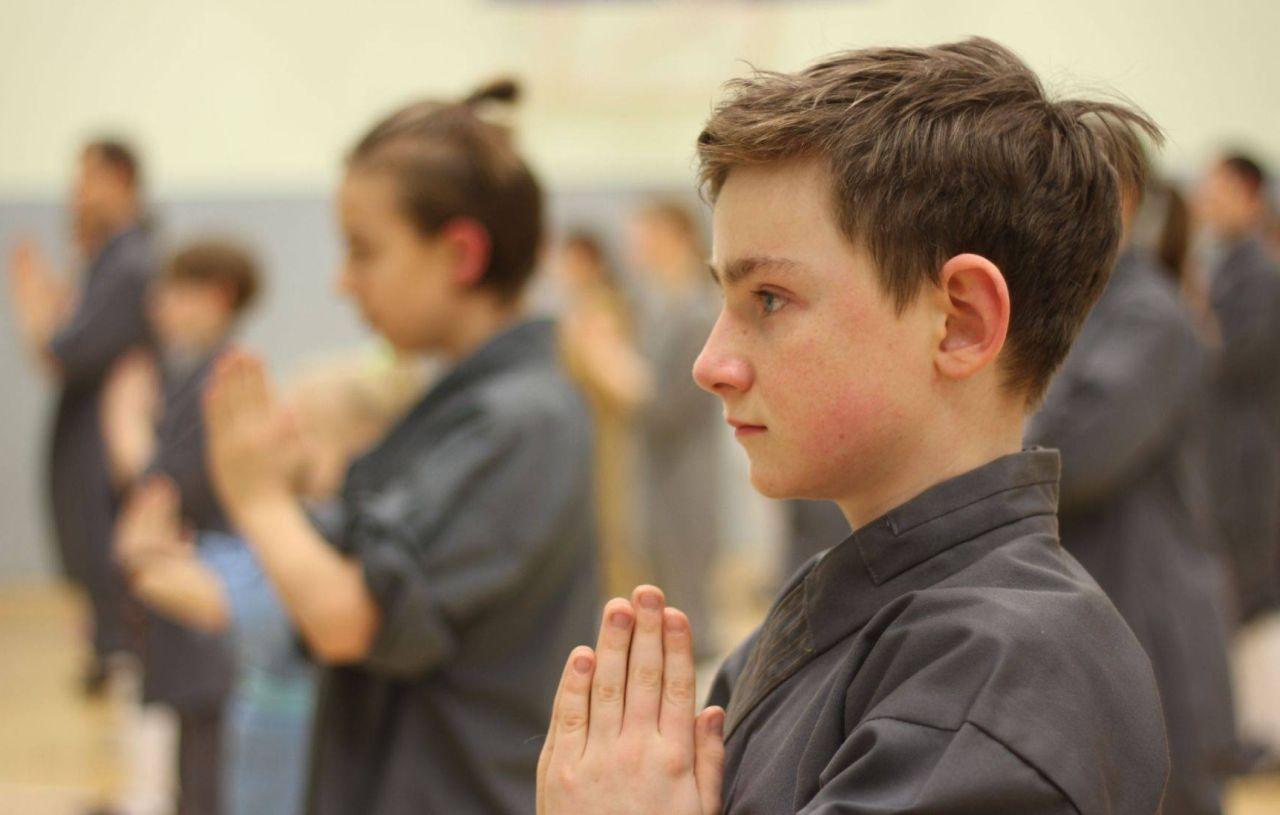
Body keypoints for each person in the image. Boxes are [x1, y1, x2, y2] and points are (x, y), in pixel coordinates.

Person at [538, 38, 1169, 815]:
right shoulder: (849, 604)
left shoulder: (1004, 679)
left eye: (769, 299)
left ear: (961, 321)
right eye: (724, 302)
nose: (711, 364)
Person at [203, 79, 600, 815]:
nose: (343, 282)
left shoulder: (524, 421)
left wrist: (257, 497)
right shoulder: (464, 404)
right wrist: (300, 484)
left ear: (460, 254)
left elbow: (348, 617)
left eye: (364, 251)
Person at [113, 340, 428, 815]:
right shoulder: (299, 524)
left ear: (358, 445)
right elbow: (234, 564)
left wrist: (145, 562)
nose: (279, 440)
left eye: (297, 428)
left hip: (297, 771)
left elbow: (234, 602)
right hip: (264, 760)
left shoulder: (332, 541)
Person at [1026, 128, 1236, 815]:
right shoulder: (1075, 306)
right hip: (1096, 602)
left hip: (1147, 612)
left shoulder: (1148, 316)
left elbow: (1079, 457)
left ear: (1121, 198)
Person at [104, 239, 262, 815]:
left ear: (217, 296)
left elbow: (174, 487)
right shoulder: (187, 375)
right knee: (189, 763)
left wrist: (127, 432)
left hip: (208, 593)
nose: (160, 307)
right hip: (188, 600)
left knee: (206, 772)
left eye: (175, 294)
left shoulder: (222, 379)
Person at [6, 138, 156, 690]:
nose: (77, 194)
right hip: (87, 423)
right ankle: (109, 648)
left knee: (102, 544)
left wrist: (30, 301)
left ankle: (120, 658)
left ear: (120, 179)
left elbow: (64, 351)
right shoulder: (106, 257)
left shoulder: (130, 263)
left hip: (105, 429)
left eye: (88, 179)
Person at [628, 200, 723, 658]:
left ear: (678, 237)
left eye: (648, 235)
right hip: (660, 469)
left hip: (685, 471)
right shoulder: (662, 307)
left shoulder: (696, 313)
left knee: (688, 606)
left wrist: (608, 364)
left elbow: (665, 406)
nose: (639, 246)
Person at [1195, 152, 1280, 625]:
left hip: (1245, 452)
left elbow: (1233, 359)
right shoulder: (1223, 264)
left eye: (1220, 189)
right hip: (1223, 445)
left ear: (1251, 197)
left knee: (1243, 600)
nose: (1207, 199)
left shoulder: (1261, 275)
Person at [555, 230, 652, 599]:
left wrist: (587, 347)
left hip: (604, 436)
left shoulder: (600, 308)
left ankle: (625, 609)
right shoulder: (582, 307)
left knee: (611, 531)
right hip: (583, 432)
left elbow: (628, 383)